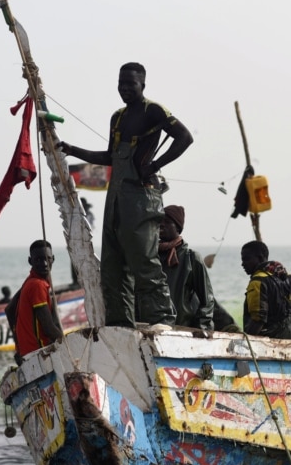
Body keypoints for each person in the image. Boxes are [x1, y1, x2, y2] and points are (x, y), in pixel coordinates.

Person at [57, 62, 193, 328]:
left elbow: (184, 138)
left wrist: (154, 165)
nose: (125, 89)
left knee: (143, 260)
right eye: (121, 83)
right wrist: (73, 150)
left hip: (142, 197)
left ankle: (161, 321)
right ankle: (120, 324)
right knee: (113, 262)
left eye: (131, 83)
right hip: (116, 196)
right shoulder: (117, 117)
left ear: (143, 84)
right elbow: (109, 157)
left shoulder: (153, 110)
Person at [154, 205, 217, 330]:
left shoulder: (191, 258)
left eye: (167, 222)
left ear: (177, 227)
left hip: (181, 327)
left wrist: (202, 328)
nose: (161, 225)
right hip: (154, 326)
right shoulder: (150, 256)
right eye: (159, 221)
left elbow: (207, 300)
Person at [7, 240, 64, 363]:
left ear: (53, 259)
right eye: (38, 260)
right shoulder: (37, 285)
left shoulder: (30, 280)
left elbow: (9, 309)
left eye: (47, 259)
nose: (44, 264)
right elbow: (48, 328)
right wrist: (67, 343)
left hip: (26, 354)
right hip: (37, 354)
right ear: (30, 261)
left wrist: (19, 349)